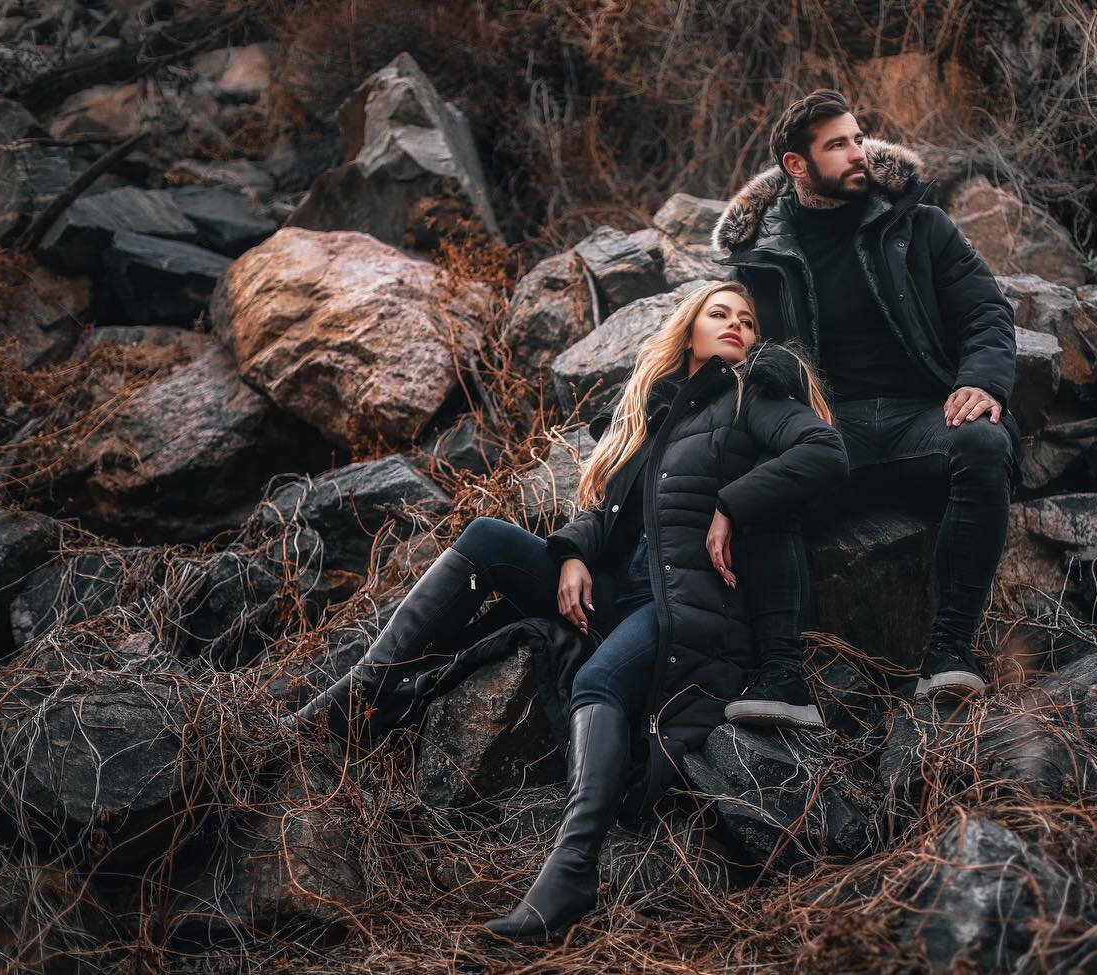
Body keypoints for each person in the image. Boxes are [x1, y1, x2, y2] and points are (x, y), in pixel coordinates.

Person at [282, 281, 847, 942]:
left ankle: (572, 870)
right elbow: (606, 513)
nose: (736, 326)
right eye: (719, 313)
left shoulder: (752, 398)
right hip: (618, 591)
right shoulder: (653, 414)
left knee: (597, 681)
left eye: (748, 321)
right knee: (487, 538)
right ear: (687, 329)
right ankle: (360, 698)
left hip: (686, 608)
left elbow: (825, 453)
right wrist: (575, 552)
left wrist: (734, 502)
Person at [713, 89, 1021, 704]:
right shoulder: (760, 261)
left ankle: (950, 654)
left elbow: (985, 309)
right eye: (838, 145)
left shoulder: (917, 225)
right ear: (796, 166)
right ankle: (782, 679)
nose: (859, 153)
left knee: (986, 444)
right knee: (764, 484)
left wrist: (981, 380)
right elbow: (742, 362)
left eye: (858, 138)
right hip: (829, 435)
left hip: (923, 419)